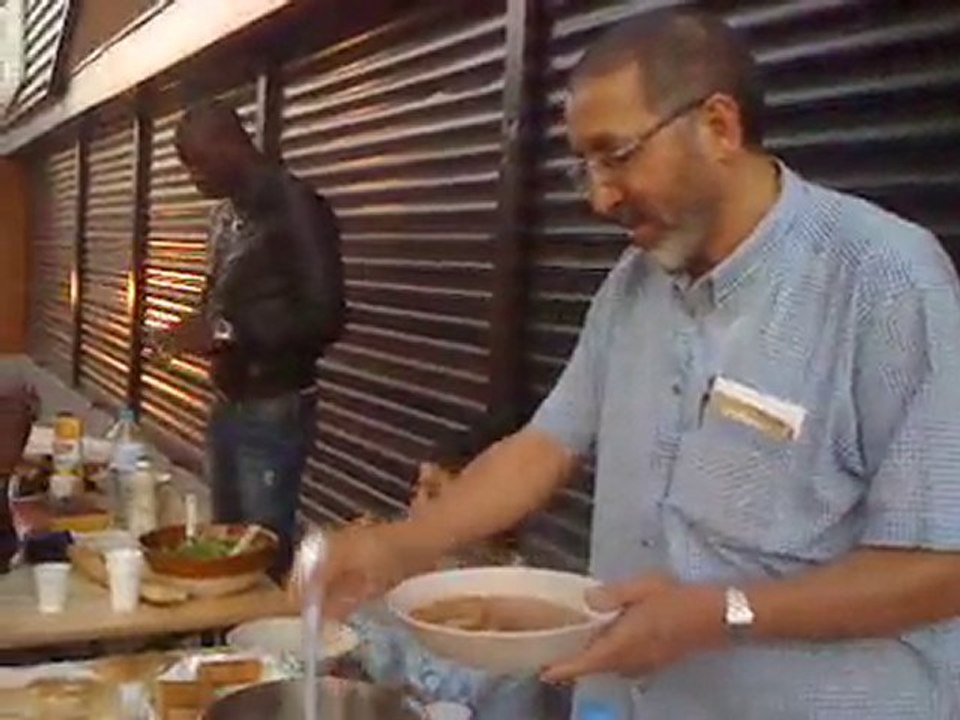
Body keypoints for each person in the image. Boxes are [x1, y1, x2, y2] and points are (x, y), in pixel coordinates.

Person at [299, 7, 960, 719]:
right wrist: (402, 545)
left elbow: (943, 570)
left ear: (719, 126)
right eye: (583, 165)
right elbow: (544, 446)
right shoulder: (633, 284)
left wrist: (722, 613)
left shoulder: (885, 280)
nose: (598, 196)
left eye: (617, 155)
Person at [149, 101, 344, 575]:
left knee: (260, 554)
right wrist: (184, 333)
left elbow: (327, 316)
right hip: (227, 401)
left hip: (274, 405)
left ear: (231, 145)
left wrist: (228, 332)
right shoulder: (223, 217)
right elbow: (219, 304)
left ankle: (272, 622)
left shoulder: (297, 208)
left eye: (198, 163)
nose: (193, 178)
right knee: (225, 549)